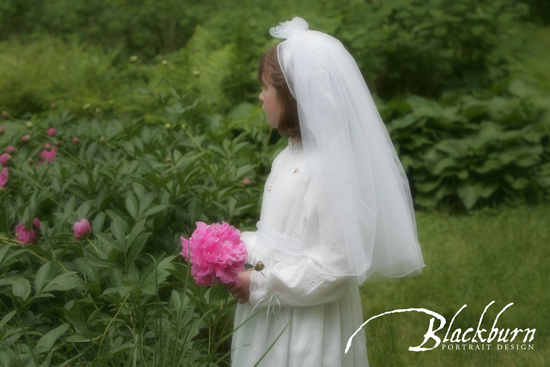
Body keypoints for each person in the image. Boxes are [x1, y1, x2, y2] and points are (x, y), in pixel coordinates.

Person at [225, 17, 425, 367]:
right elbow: (281, 239)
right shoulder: (287, 157)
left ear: (293, 97)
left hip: (309, 325)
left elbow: (335, 267)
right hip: (272, 310)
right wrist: (231, 246)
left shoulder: (328, 172)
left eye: (266, 89)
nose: (260, 96)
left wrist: (261, 285)